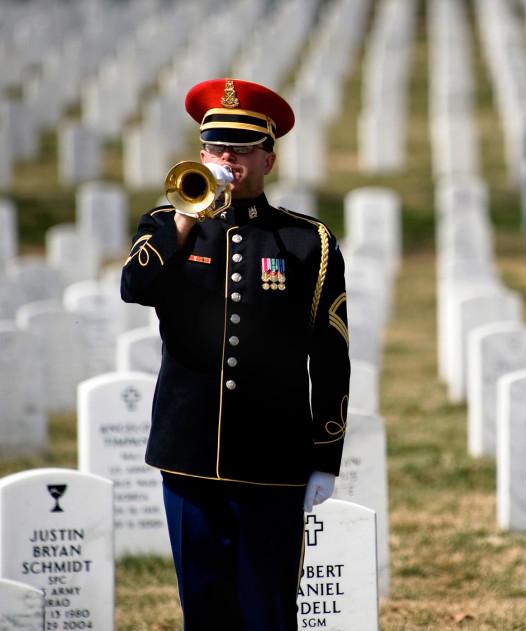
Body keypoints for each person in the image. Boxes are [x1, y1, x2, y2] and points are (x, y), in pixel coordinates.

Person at [120, 78, 349, 630]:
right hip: (188, 453)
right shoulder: (167, 228)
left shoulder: (305, 241)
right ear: (201, 153)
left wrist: (325, 455)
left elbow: (331, 352)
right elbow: (136, 287)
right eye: (218, 147)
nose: (229, 159)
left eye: (243, 148)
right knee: (204, 608)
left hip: (272, 459)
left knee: (268, 608)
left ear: (268, 157)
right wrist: (184, 215)